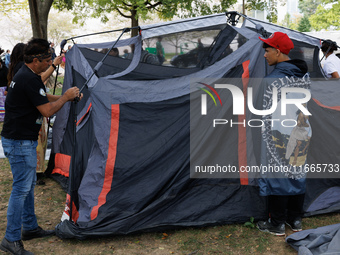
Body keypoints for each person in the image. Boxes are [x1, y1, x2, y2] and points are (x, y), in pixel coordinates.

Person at [0, 38, 82, 255]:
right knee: (20, 190)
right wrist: (65, 97)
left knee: (27, 188)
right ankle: (11, 240)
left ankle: (30, 228)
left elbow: (42, 98)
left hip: (17, 140)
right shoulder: (29, 79)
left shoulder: (26, 75)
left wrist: (68, 98)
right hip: (19, 142)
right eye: (47, 60)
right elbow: (46, 110)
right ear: (35, 60)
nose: (49, 64)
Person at [256, 32, 309, 236]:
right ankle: (295, 220)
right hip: (302, 130)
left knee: (276, 176)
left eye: (267, 50)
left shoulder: (273, 80)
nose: (264, 55)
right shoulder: (303, 74)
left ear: (278, 52)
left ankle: (276, 223)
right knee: (297, 173)